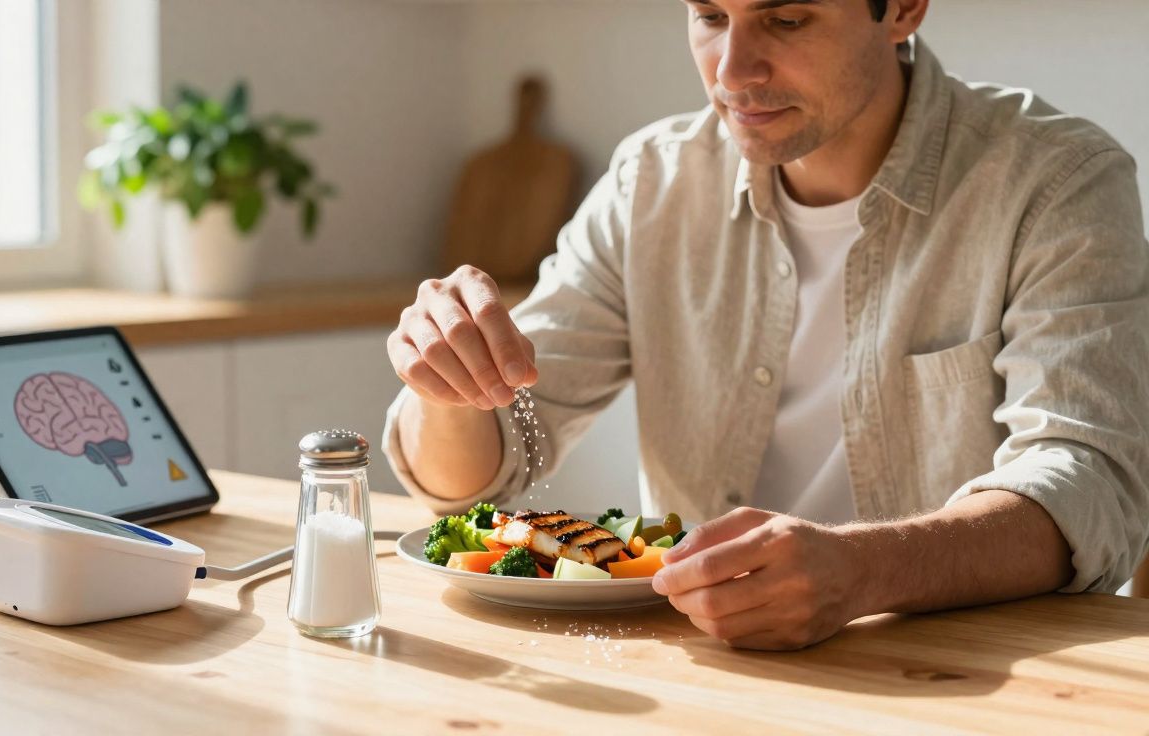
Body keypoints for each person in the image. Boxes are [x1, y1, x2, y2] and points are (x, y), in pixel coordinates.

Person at [381, 0, 1149, 650]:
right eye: (710, 15)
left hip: (975, 678)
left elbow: (1090, 487)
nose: (731, 69)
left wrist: (867, 569)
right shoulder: (651, 182)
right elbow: (493, 460)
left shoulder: (1057, 183)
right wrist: (447, 388)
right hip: (713, 673)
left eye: (785, 18)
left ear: (905, 8)